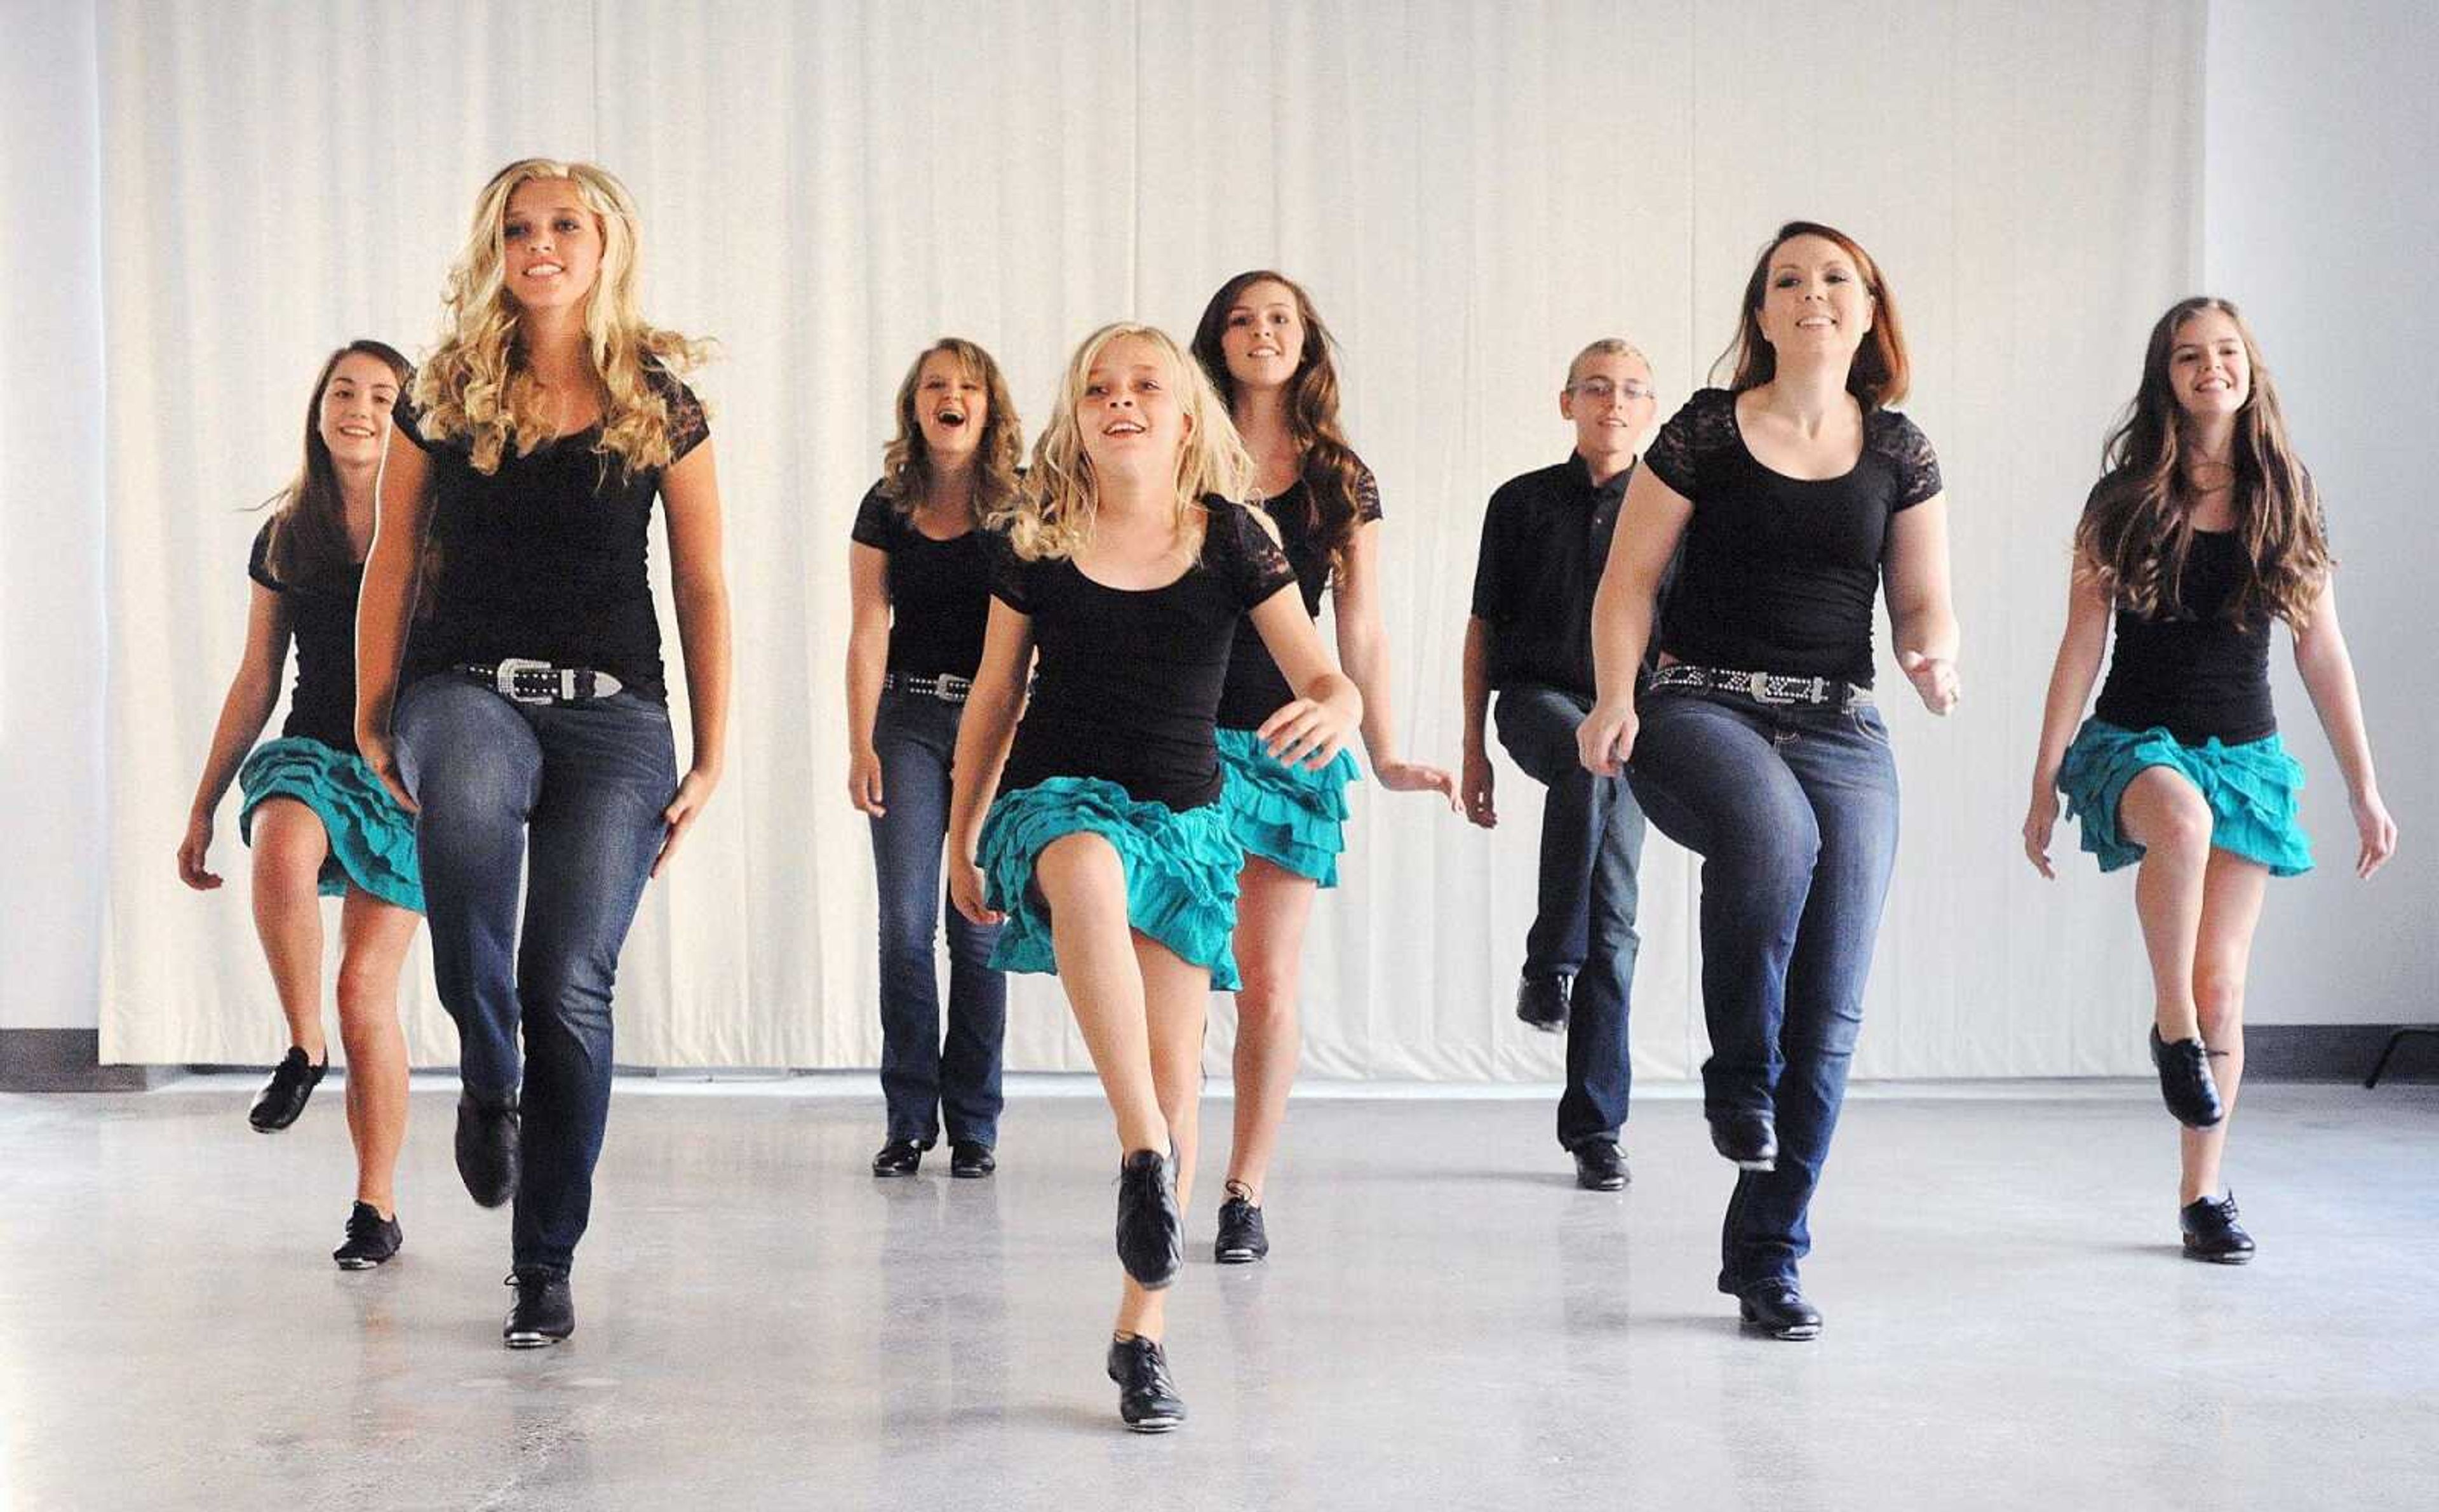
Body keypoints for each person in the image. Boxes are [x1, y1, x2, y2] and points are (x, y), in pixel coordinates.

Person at [944, 323, 1359, 1432]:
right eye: (1098, 388)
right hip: (1058, 798)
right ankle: (1138, 1151)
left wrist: (1343, 704)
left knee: (1181, 1083)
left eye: (1145, 386)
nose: (1121, 401)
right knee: (1082, 869)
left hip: (1183, 820)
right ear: (1077, 414)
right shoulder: (1036, 536)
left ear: (1186, 414)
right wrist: (960, 832)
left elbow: (1320, 666)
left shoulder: (1235, 535)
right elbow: (993, 695)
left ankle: (1142, 1337)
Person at [356, 159, 732, 1347]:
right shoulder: (446, 390)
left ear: (607, 243)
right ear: (495, 250)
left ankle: (544, 1264)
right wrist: (373, 710)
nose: (542, 244)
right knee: (464, 804)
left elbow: (704, 583)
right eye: (520, 228)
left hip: (616, 713)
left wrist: (714, 750)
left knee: (569, 979)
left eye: (565, 225)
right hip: (464, 686)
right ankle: (484, 1064)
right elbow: (394, 561)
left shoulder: (659, 403)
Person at [1578, 221, 1959, 1340]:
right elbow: (1626, 583)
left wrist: (1937, 651)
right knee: (1775, 837)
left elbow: (1923, 600)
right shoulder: (1703, 430)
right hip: (1700, 704)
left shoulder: (1900, 450)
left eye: (1835, 277)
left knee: (1832, 1012)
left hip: (1843, 729)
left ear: (1868, 305)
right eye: (1788, 280)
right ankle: (1737, 1069)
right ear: (1761, 313)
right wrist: (1614, 696)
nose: (1812, 294)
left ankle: (1768, 1258)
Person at [2024, 295, 2396, 1262]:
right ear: (2167, 377)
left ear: (2249, 370)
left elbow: (2324, 651)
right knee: (2177, 822)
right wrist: (2043, 776)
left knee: (2226, 982)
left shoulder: (2286, 493)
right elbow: (2081, 639)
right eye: (2190, 355)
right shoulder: (2123, 498)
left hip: (2247, 756)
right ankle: (2170, 1025)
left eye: (2226, 352)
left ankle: (2204, 1195)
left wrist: (2364, 786)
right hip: (2134, 743)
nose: (2210, 368)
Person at [1188, 271, 1457, 1259]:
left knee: (1266, 977)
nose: (1263, 333)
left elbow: (1365, 627)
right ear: (1216, 341)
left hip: (1290, 740)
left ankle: (1244, 1190)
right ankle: (1161, 1166)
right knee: (1176, 981)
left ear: (1307, 343)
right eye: (1243, 319)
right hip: (1177, 735)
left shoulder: (1341, 476)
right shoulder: (1178, 447)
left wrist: (1382, 748)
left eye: (1282, 319)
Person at [177, 340, 425, 1269]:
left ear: (407, 415)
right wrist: (203, 805)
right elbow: (254, 677)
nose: (361, 408)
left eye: (383, 395)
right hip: (315, 748)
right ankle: (301, 1047)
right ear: (318, 411)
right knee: (278, 836)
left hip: (404, 768)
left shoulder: (438, 521)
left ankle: (376, 1206)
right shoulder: (289, 531)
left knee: (368, 989)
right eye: (343, 392)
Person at [1461, 338, 1657, 1191]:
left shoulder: (1673, 508)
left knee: (1616, 921)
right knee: (1586, 760)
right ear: (1567, 401)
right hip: (1540, 700)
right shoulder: (1519, 504)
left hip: (1640, 724)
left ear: (1651, 411)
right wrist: (1472, 746)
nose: (1614, 404)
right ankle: (1550, 963)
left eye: (1633, 392)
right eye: (1598, 388)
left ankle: (1596, 1129)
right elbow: (1482, 630)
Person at [847, 338, 1021, 1180]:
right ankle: (908, 1119)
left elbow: (1035, 643)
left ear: (990, 408)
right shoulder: (886, 504)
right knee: (906, 927)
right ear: (914, 406)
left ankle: (977, 1124)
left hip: (997, 724)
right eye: (935, 386)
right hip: (908, 717)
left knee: (980, 925)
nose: (952, 397)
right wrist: (858, 741)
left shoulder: (1023, 511)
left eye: (969, 386)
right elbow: (866, 628)